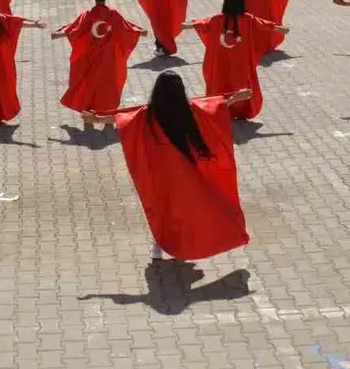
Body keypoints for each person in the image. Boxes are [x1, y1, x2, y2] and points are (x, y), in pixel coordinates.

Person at [80, 72, 253, 261]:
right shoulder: (188, 110)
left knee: (164, 208)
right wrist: (236, 97)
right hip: (187, 171)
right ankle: (190, 240)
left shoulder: (148, 114)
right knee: (191, 207)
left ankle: (159, 243)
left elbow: (121, 118)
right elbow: (214, 107)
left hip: (162, 173)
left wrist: (96, 119)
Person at [182, 0, 287, 120]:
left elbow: (202, 24)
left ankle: (222, 109)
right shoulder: (248, 19)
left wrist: (187, 25)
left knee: (220, 84)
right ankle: (241, 110)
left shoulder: (217, 19)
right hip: (240, 63)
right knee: (241, 85)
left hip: (220, 62)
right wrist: (280, 29)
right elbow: (263, 24)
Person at [52, 0, 146, 127]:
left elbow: (74, 29)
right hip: (109, 59)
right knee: (109, 86)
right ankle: (108, 114)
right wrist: (139, 31)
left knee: (88, 85)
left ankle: (88, 113)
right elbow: (126, 28)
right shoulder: (113, 14)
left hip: (90, 58)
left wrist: (58, 34)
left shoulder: (88, 15)